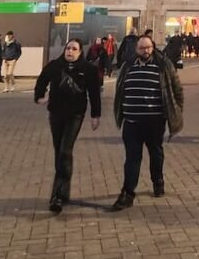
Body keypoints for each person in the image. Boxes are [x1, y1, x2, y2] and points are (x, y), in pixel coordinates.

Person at [111, 36, 184, 211]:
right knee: (132, 159)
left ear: (153, 47)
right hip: (132, 121)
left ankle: (157, 181)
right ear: (136, 49)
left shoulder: (163, 65)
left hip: (154, 121)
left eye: (148, 47)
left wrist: (177, 110)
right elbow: (120, 88)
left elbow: (177, 88)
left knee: (156, 153)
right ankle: (128, 193)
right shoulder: (128, 66)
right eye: (142, 48)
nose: (146, 51)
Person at [34, 38, 102, 213]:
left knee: (65, 150)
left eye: (74, 49)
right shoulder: (55, 66)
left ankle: (56, 195)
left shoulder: (88, 69)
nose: (70, 52)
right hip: (56, 114)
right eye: (68, 48)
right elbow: (42, 80)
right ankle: (64, 192)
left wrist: (95, 115)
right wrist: (39, 97)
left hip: (75, 115)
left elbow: (94, 93)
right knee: (61, 152)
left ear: (80, 52)